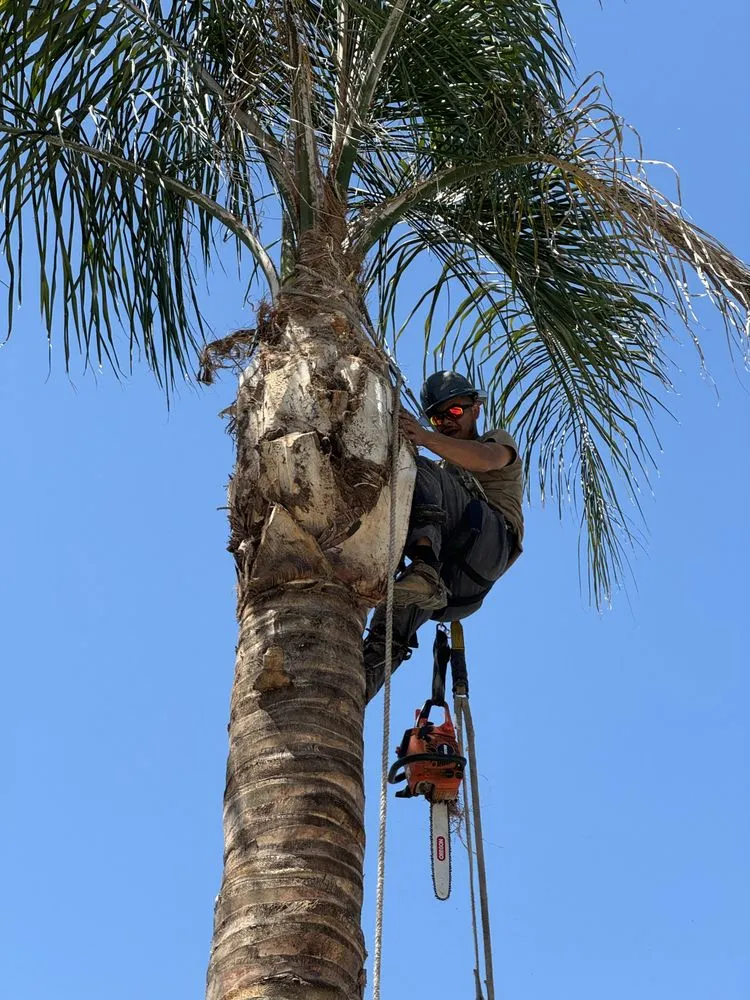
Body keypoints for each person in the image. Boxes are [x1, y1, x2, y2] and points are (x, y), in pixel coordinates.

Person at [363, 370, 524, 702]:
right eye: (437, 417)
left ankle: (423, 567)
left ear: (475, 408)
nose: (446, 421)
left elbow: (484, 461)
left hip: (487, 545)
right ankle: (348, 696)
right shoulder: (437, 486)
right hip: (451, 591)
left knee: (418, 468)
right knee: (385, 634)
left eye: (454, 411)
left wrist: (423, 437)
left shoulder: (495, 441)